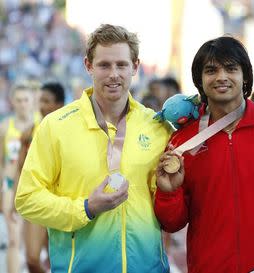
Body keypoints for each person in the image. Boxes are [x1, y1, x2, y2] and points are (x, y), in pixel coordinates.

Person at [15, 24, 171, 273]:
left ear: (135, 67)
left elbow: (167, 202)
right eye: (104, 65)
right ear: (88, 66)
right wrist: (85, 208)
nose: (113, 74)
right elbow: (26, 199)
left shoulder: (155, 125)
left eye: (121, 65)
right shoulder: (56, 126)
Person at [154, 36, 254, 272]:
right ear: (199, 80)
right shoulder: (182, 142)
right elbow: (173, 223)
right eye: (211, 70)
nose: (221, 77)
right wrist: (169, 192)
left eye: (231, 69)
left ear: (245, 76)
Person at [11, 82, 66, 273]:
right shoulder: (29, 132)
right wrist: (14, 200)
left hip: (60, 202)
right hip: (35, 200)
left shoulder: (67, 131)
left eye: (46, 101)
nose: (41, 105)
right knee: (32, 259)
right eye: (40, 100)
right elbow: (19, 168)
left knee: (57, 261)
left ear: (59, 104)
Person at [0, 82, 39, 273]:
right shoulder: (5, 127)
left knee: (30, 244)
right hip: (11, 186)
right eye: (19, 100)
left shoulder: (41, 125)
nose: (23, 104)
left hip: (34, 187)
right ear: (12, 102)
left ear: (32, 102)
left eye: (26, 100)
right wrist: (5, 188)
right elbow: (1, 162)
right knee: (13, 239)